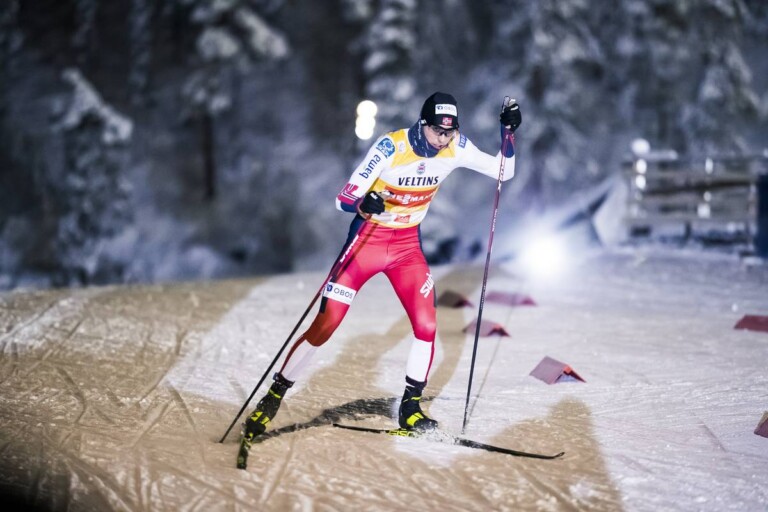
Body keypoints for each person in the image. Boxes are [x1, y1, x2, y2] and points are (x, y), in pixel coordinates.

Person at [242, 92, 522, 441]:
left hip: (406, 248)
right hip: (367, 242)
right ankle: (273, 396)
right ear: (422, 125)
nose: (443, 140)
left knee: (427, 324)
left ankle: (410, 409)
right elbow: (343, 198)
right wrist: (364, 203)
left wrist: (508, 133)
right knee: (327, 323)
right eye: (438, 132)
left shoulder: (456, 146)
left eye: (449, 133)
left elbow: (504, 171)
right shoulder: (391, 147)